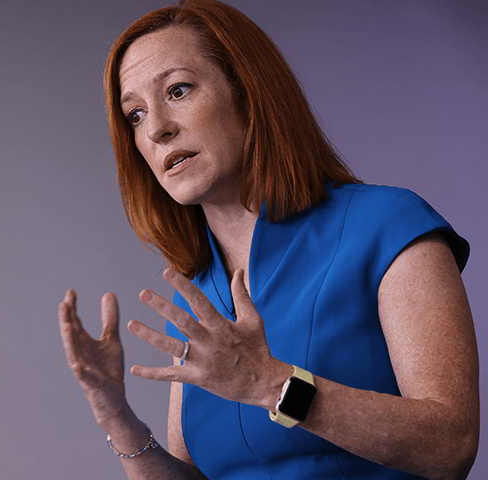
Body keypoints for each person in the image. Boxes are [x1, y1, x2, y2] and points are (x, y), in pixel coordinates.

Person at [58, 1, 479, 479]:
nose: (156, 128)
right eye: (134, 115)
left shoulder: (386, 224)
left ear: (248, 91)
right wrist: (117, 417)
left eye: (178, 90)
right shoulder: (195, 293)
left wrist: (269, 383)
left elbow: (452, 445)